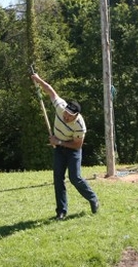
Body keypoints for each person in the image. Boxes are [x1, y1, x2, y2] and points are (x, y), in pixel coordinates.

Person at [30, 73, 99, 220]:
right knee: (58, 179)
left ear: (76, 115)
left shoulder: (80, 125)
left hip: (73, 150)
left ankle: (93, 198)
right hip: (59, 150)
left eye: (69, 116)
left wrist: (59, 142)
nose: (66, 117)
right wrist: (37, 79)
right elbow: (50, 90)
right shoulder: (61, 107)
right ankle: (61, 211)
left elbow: (77, 144)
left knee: (75, 177)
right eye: (66, 114)